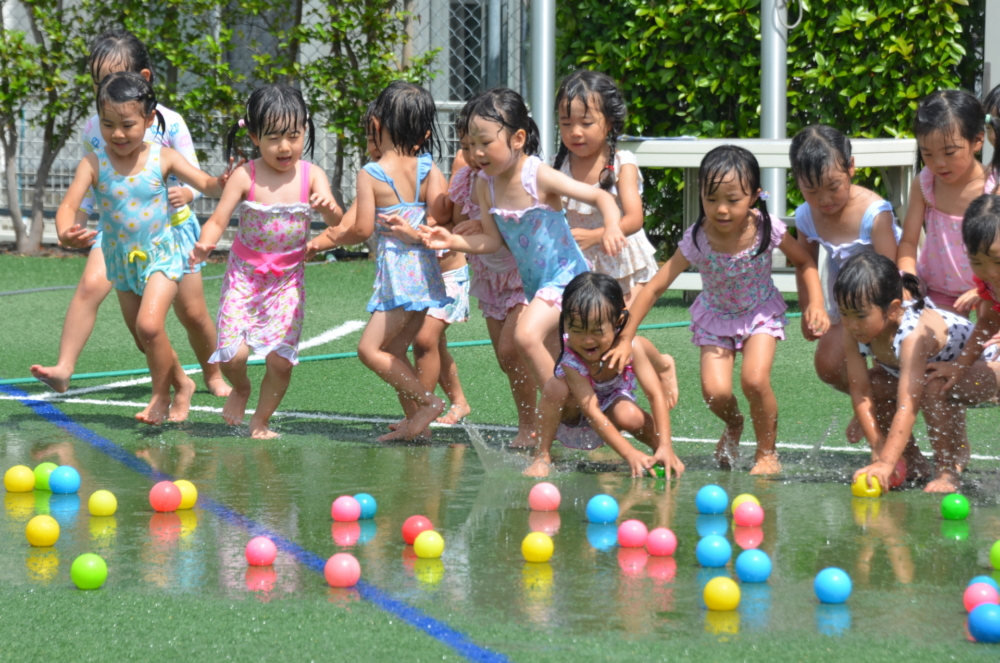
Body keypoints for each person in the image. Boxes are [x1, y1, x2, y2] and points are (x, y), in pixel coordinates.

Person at [604, 145, 829, 475]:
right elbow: (654, 288)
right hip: (716, 318)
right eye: (711, 200)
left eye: (733, 199)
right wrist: (626, 337)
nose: (721, 209)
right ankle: (735, 424)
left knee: (754, 380)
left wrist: (817, 304)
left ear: (754, 195)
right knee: (715, 393)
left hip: (759, 313)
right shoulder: (698, 238)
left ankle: (767, 453)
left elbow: (805, 260)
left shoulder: (766, 227)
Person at [31, 29, 229, 397]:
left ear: (144, 80)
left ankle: (213, 373)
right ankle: (66, 367)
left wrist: (184, 192)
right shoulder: (97, 128)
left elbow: (198, 180)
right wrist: (73, 227)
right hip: (118, 234)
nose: (116, 132)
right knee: (121, 310)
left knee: (193, 315)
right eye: (99, 81)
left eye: (114, 78)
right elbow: (92, 190)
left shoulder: (169, 123)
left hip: (169, 234)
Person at [418, 87, 627, 399]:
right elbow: (490, 241)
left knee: (525, 336)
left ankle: (560, 401)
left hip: (565, 278)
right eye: (471, 145)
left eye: (486, 143)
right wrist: (453, 239)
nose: (476, 153)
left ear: (517, 139)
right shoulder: (487, 185)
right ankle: (585, 411)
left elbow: (598, 195)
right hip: (535, 285)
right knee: (564, 357)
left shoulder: (536, 175)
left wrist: (611, 225)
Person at [190, 84, 342, 439]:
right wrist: (204, 245)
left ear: (305, 130)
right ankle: (240, 388)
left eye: (294, 135)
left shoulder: (312, 175)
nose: (285, 146)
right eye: (274, 137)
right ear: (255, 137)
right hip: (244, 276)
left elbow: (341, 224)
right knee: (231, 355)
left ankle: (261, 419)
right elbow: (218, 219)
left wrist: (329, 209)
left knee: (280, 360)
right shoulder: (246, 175)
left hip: (287, 280)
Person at [334, 81, 452, 441]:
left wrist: (333, 237)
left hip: (399, 277)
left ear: (379, 123)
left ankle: (429, 404)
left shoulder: (370, 173)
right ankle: (418, 424)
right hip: (427, 274)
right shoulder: (428, 167)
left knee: (369, 349)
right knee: (397, 349)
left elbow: (362, 228)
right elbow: (438, 217)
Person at [840, 253, 1000, 493]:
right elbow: (861, 390)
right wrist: (878, 446)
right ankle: (912, 462)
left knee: (931, 385)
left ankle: (946, 471)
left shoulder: (912, 336)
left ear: (893, 309)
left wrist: (885, 462)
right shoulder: (853, 331)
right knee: (875, 383)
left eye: (860, 315)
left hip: (987, 367)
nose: (852, 324)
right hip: (939, 374)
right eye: (844, 313)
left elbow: (908, 404)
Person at [523, 272, 682, 479]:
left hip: (612, 398)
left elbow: (655, 395)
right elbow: (592, 411)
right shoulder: (571, 359)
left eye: (597, 331)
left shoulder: (630, 347)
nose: (587, 340)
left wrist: (665, 445)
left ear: (618, 321)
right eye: (577, 331)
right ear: (566, 323)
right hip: (577, 409)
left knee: (630, 414)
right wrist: (629, 453)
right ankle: (542, 454)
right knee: (555, 387)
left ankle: (661, 453)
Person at [789, 125, 901, 395]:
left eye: (833, 187)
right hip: (847, 296)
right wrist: (808, 308)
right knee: (828, 366)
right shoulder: (806, 216)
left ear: (851, 167)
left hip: (886, 297)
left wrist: (881, 319)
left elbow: (891, 273)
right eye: (811, 191)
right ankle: (874, 396)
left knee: (887, 361)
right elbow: (806, 264)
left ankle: (882, 403)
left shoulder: (874, 213)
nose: (824, 199)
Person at [553, 70, 659, 305]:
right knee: (583, 334)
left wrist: (594, 236)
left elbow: (634, 220)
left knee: (619, 331)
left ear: (610, 122)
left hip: (622, 262)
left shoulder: (622, 164)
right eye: (566, 123)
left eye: (586, 123)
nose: (575, 132)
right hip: (578, 262)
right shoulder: (555, 167)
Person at [898, 90, 996, 315]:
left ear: (978, 140)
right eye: (928, 154)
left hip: (989, 291)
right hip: (938, 289)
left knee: (986, 336)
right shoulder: (924, 184)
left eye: (949, 152)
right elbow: (908, 243)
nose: (939, 163)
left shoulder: (993, 188)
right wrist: (908, 276)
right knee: (930, 339)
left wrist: (983, 291)